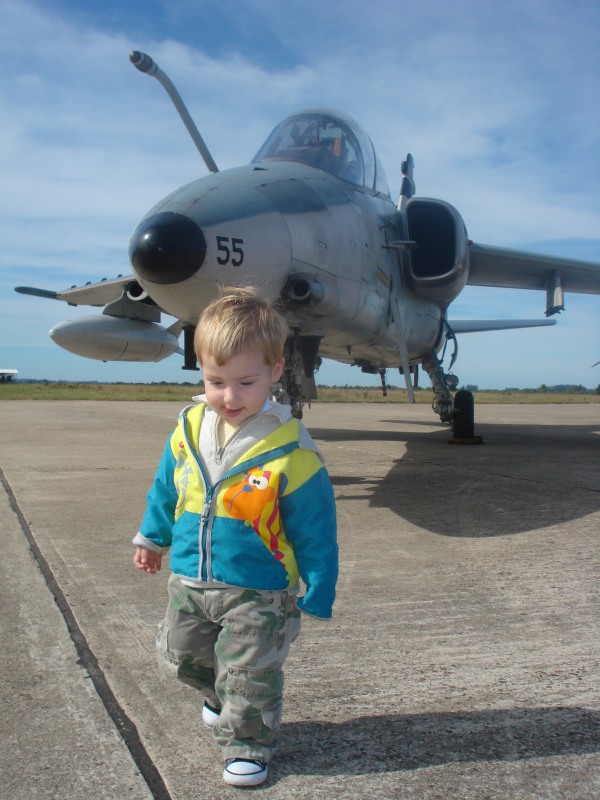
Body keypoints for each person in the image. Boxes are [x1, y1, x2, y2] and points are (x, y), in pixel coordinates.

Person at [133, 286, 338, 787]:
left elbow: (316, 527)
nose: (229, 396)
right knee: (179, 657)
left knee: (250, 674)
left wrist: (320, 583)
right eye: (215, 381)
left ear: (275, 370)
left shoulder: (291, 448)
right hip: (190, 576)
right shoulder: (187, 427)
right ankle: (217, 694)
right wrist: (150, 538)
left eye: (245, 382)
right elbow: (167, 489)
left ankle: (247, 745)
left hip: (259, 587)